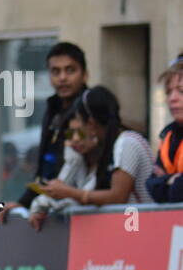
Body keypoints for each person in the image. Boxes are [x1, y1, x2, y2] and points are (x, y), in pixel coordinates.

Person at [29, 85, 152, 228]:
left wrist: (68, 192)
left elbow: (118, 196)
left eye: (80, 121)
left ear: (91, 123)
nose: (75, 137)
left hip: (144, 228)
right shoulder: (109, 149)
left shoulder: (127, 143)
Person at [2, 41, 89, 222]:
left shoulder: (89, 110)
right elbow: (45, 168)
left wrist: (43, 202)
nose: (62, 78)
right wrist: (24, 202)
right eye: (56, 72)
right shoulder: (52, 110)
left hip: (83, 206)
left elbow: (76, 163)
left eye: (70, 70)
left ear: (85, 74)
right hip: (54, 205)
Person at [147, 53, 183, 204]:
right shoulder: (168, 135)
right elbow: (151, 185)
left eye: (181, 91)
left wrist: (168, 181)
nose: (172, 98)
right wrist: (174, 181)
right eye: (168, 92)